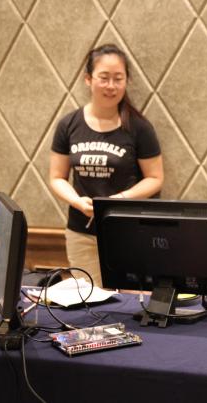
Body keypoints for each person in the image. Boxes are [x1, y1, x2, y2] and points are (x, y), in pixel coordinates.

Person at [49, 44, 163, 287]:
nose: (111, 85)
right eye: (104, 77)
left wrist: (118, 200)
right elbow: (57, 177)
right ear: (88, 79)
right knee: (89, 300)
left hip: (129, 232)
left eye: (118, 79)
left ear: (126, 81)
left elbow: (155, 179)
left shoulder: (139, 128)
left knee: (128, 301)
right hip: (81, 233)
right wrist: (77, 202)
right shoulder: (68, 124)